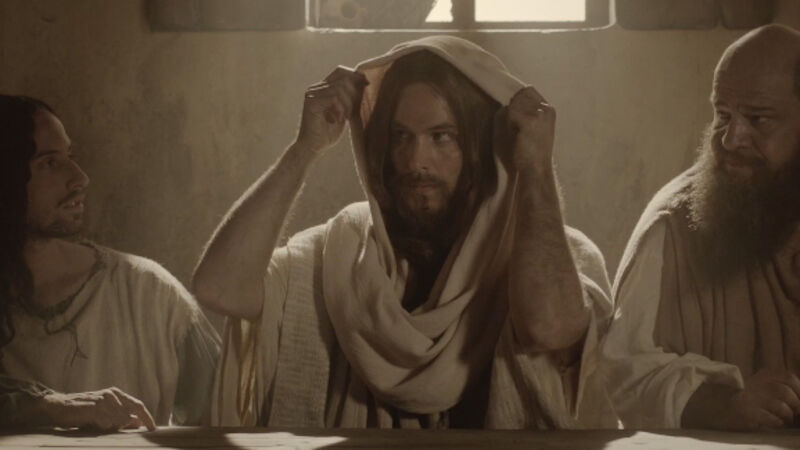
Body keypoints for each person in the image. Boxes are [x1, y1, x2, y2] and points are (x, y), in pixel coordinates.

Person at [193, 36, 614, 429]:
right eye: (400, 137)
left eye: (442, 137)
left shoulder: (553, 262)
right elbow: (219, 288)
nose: (416, 162)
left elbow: (547, 328)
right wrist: (306, 147)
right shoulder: (337, 254)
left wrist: (535, 167)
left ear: (485, 146)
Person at [600, 24, 800, 431]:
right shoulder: (672, 227)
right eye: (723, 115)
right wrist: (725, 406)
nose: (731, 139)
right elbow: (626, 373)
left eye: (759, 119)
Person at [0, 95, 220, 430]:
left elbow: (230, 413)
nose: (79, 178)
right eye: (49, 163)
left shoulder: (147, 295)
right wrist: (50, 408)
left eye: (70, 157)